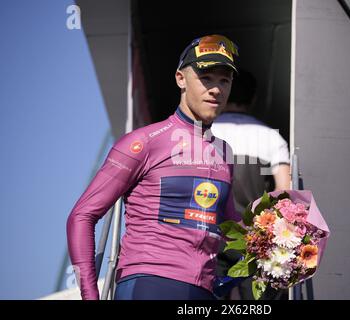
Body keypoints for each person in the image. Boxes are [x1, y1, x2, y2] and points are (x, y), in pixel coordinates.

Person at [66, 35, 242, 300]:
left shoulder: (224, 153)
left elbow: (231, 228)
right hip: (149, 283)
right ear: (180, 79)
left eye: (224, 80)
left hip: (203, 291)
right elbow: (81, 216)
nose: (216, 89)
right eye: (206, 78)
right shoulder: (144, 141)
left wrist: (280, 242)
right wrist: (90, 295)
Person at [211, 70, 291, 300]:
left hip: (211, 231)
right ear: (253, 99)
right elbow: (284, 194)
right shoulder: (272, 138)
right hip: (253, 236)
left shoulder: (206, 133)